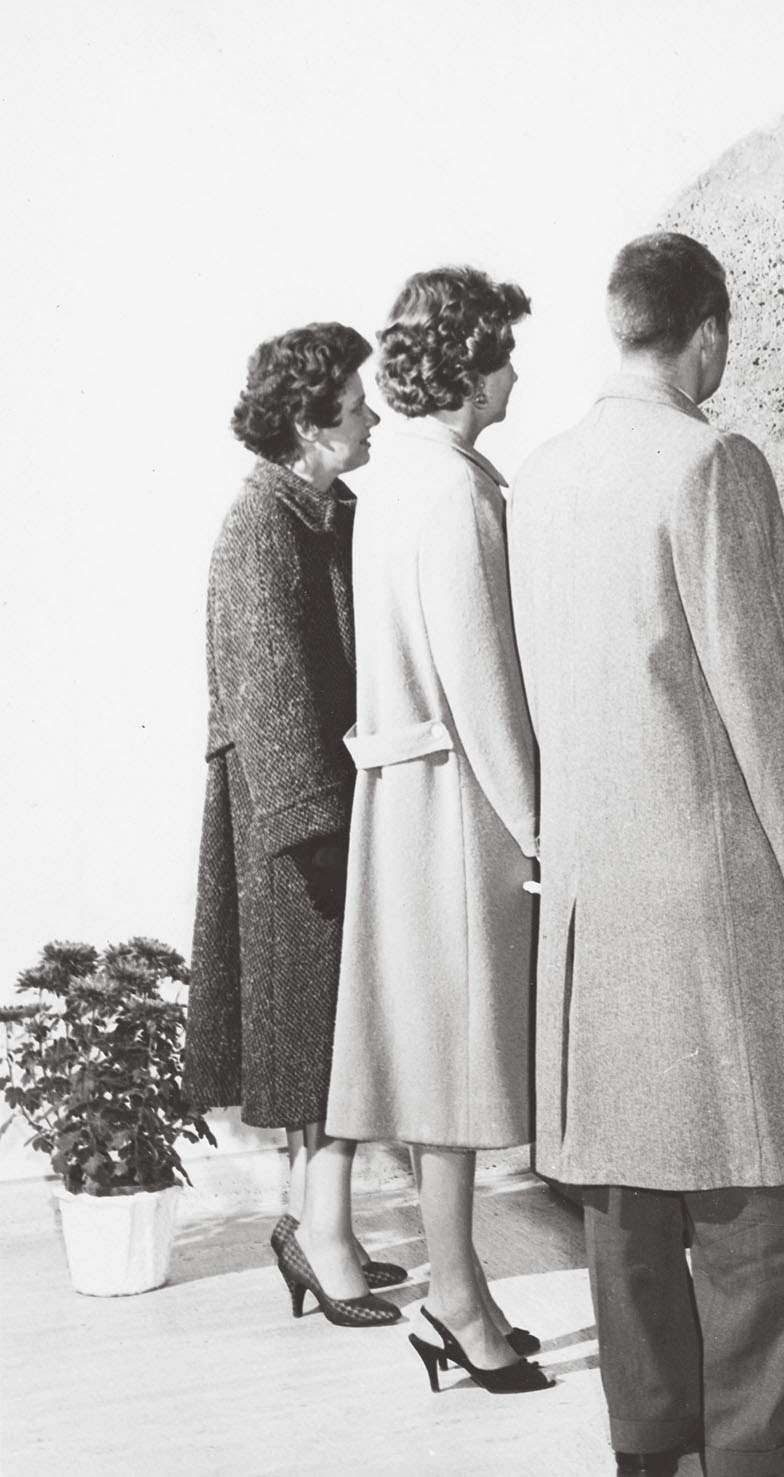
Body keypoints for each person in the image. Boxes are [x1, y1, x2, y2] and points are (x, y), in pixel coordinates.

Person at [508, 232, 784, 1477]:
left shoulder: (545, 470)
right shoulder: (711, 463)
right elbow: (768, 689)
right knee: (768, 1193)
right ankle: (755, 1443)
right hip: (716, 884)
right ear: (706, 335)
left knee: (629, 1197)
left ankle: (658, 1445)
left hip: (594, 884)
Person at [322, 266, 550, 1393]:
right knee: (455, 1071)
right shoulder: (454, 489)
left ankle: (463, 1288)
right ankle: (458, 1299)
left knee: (433, 1072)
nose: (517, 368)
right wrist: (541, 824)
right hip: (458, 804)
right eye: (504, 348)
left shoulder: (399, 477)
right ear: (466, 363)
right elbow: (483, 681)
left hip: (404, 796)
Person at [187, 322, 403, 1327]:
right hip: (292, 822)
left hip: (313, 808)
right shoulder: (262, 526)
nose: (371, 415)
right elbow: (269, 699)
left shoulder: (317, 509)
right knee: (316, 1046)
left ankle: (317, 1227)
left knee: (320, 1042)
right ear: (312, 421)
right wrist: (319, 836)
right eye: (355, 403)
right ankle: (319, 1242)